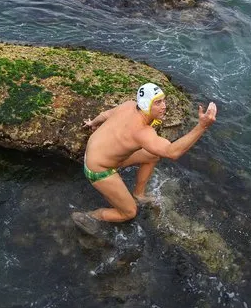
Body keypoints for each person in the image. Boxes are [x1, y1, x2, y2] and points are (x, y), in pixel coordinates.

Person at [72, 82, 217, 235]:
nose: (164, 106)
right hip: (98, 169)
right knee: (129, 213)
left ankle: (138, 194)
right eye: (158, 102)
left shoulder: (129, 105)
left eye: (163, 100)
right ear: (146, 105)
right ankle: (89, 216)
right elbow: (172, 152)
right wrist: (202, 126)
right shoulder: (142, 132)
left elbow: (105, 115)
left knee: (153, 155)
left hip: (97, 153)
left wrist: (92, 123)